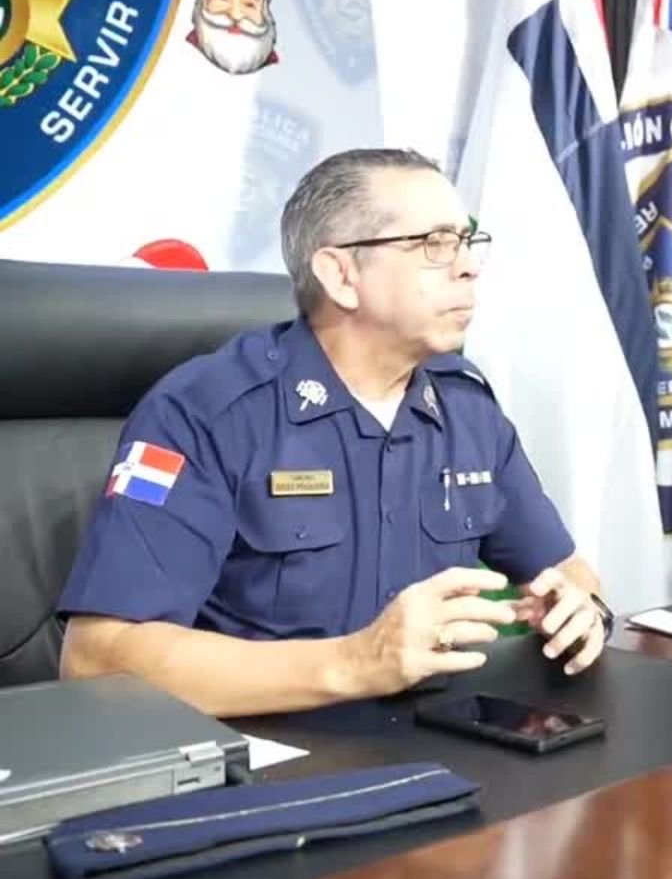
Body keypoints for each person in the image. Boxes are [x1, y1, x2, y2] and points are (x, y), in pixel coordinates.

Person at [58, 148, 615, 718]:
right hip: (275, 750)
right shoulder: (206, 412)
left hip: (447, 739)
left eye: (468, 241)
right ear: (341, 274)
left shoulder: (466, 406)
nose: (469, 265)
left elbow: (565, 570)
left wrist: (579, 608)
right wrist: (356, 662)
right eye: (435, 243)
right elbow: (97, 659)